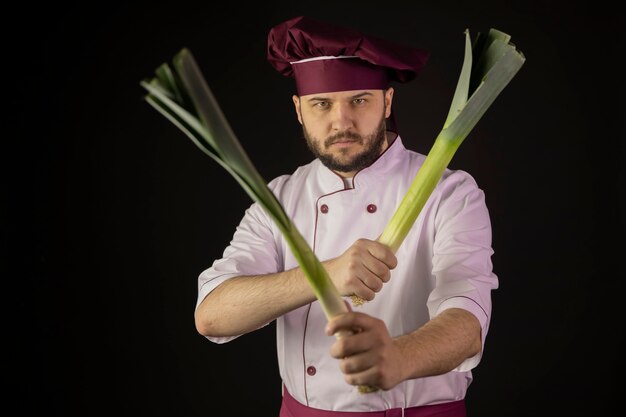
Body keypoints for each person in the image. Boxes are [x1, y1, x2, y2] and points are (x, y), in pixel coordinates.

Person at [194, 15, 499, 417]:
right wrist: (324, 275)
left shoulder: (451, 192)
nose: (342, 122)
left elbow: (466, 321)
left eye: (359, 100)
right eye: (322, 104)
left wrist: (398, 357)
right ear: (299, 110)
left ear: (387, 102)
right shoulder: (280, 198)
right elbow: (212, 315)